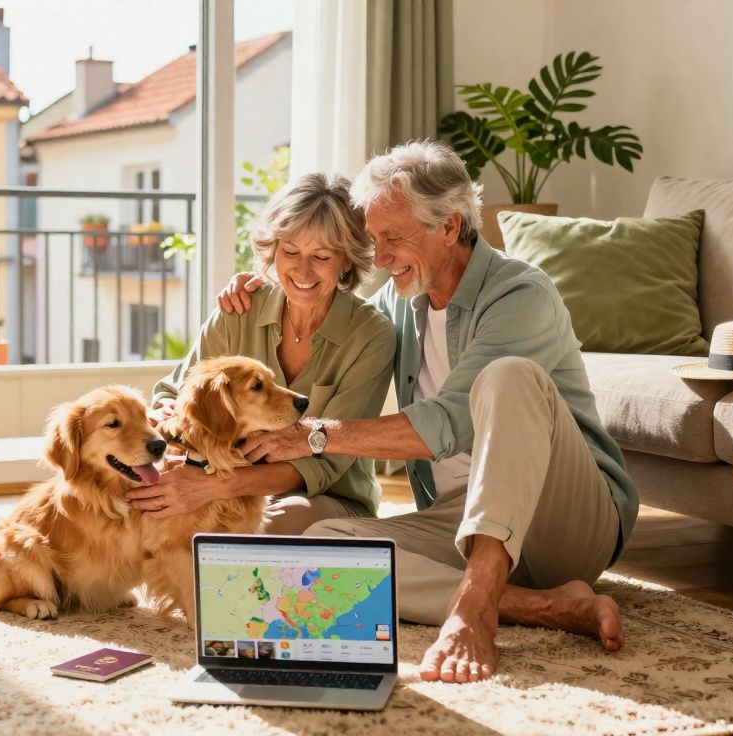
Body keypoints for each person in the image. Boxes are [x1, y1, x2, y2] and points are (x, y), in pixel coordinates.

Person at [216, 141, 638, 684]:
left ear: (450, 227)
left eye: (395, 237)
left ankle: (476, 608)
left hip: (562, 521)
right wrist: (264, 287)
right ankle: (544, 607)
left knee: (508, 376)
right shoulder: (400, 297)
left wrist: (314, 435)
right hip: (457, 516)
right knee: (324, 546)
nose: (381, 255)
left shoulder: (520, 294)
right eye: (373, 238)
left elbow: (447, 423)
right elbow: (329, 302)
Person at [125, 172, 395, 535]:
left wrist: (213, 487)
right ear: (273, 249)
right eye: (289, 252)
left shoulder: (370, 336)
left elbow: (325, 465)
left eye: (321, 256)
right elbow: (173, 394)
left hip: (324, 497)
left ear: (346, 261)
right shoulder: (239, 309)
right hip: (216, 479)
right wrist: (166, 418)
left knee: (267, 528)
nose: (301, 270)